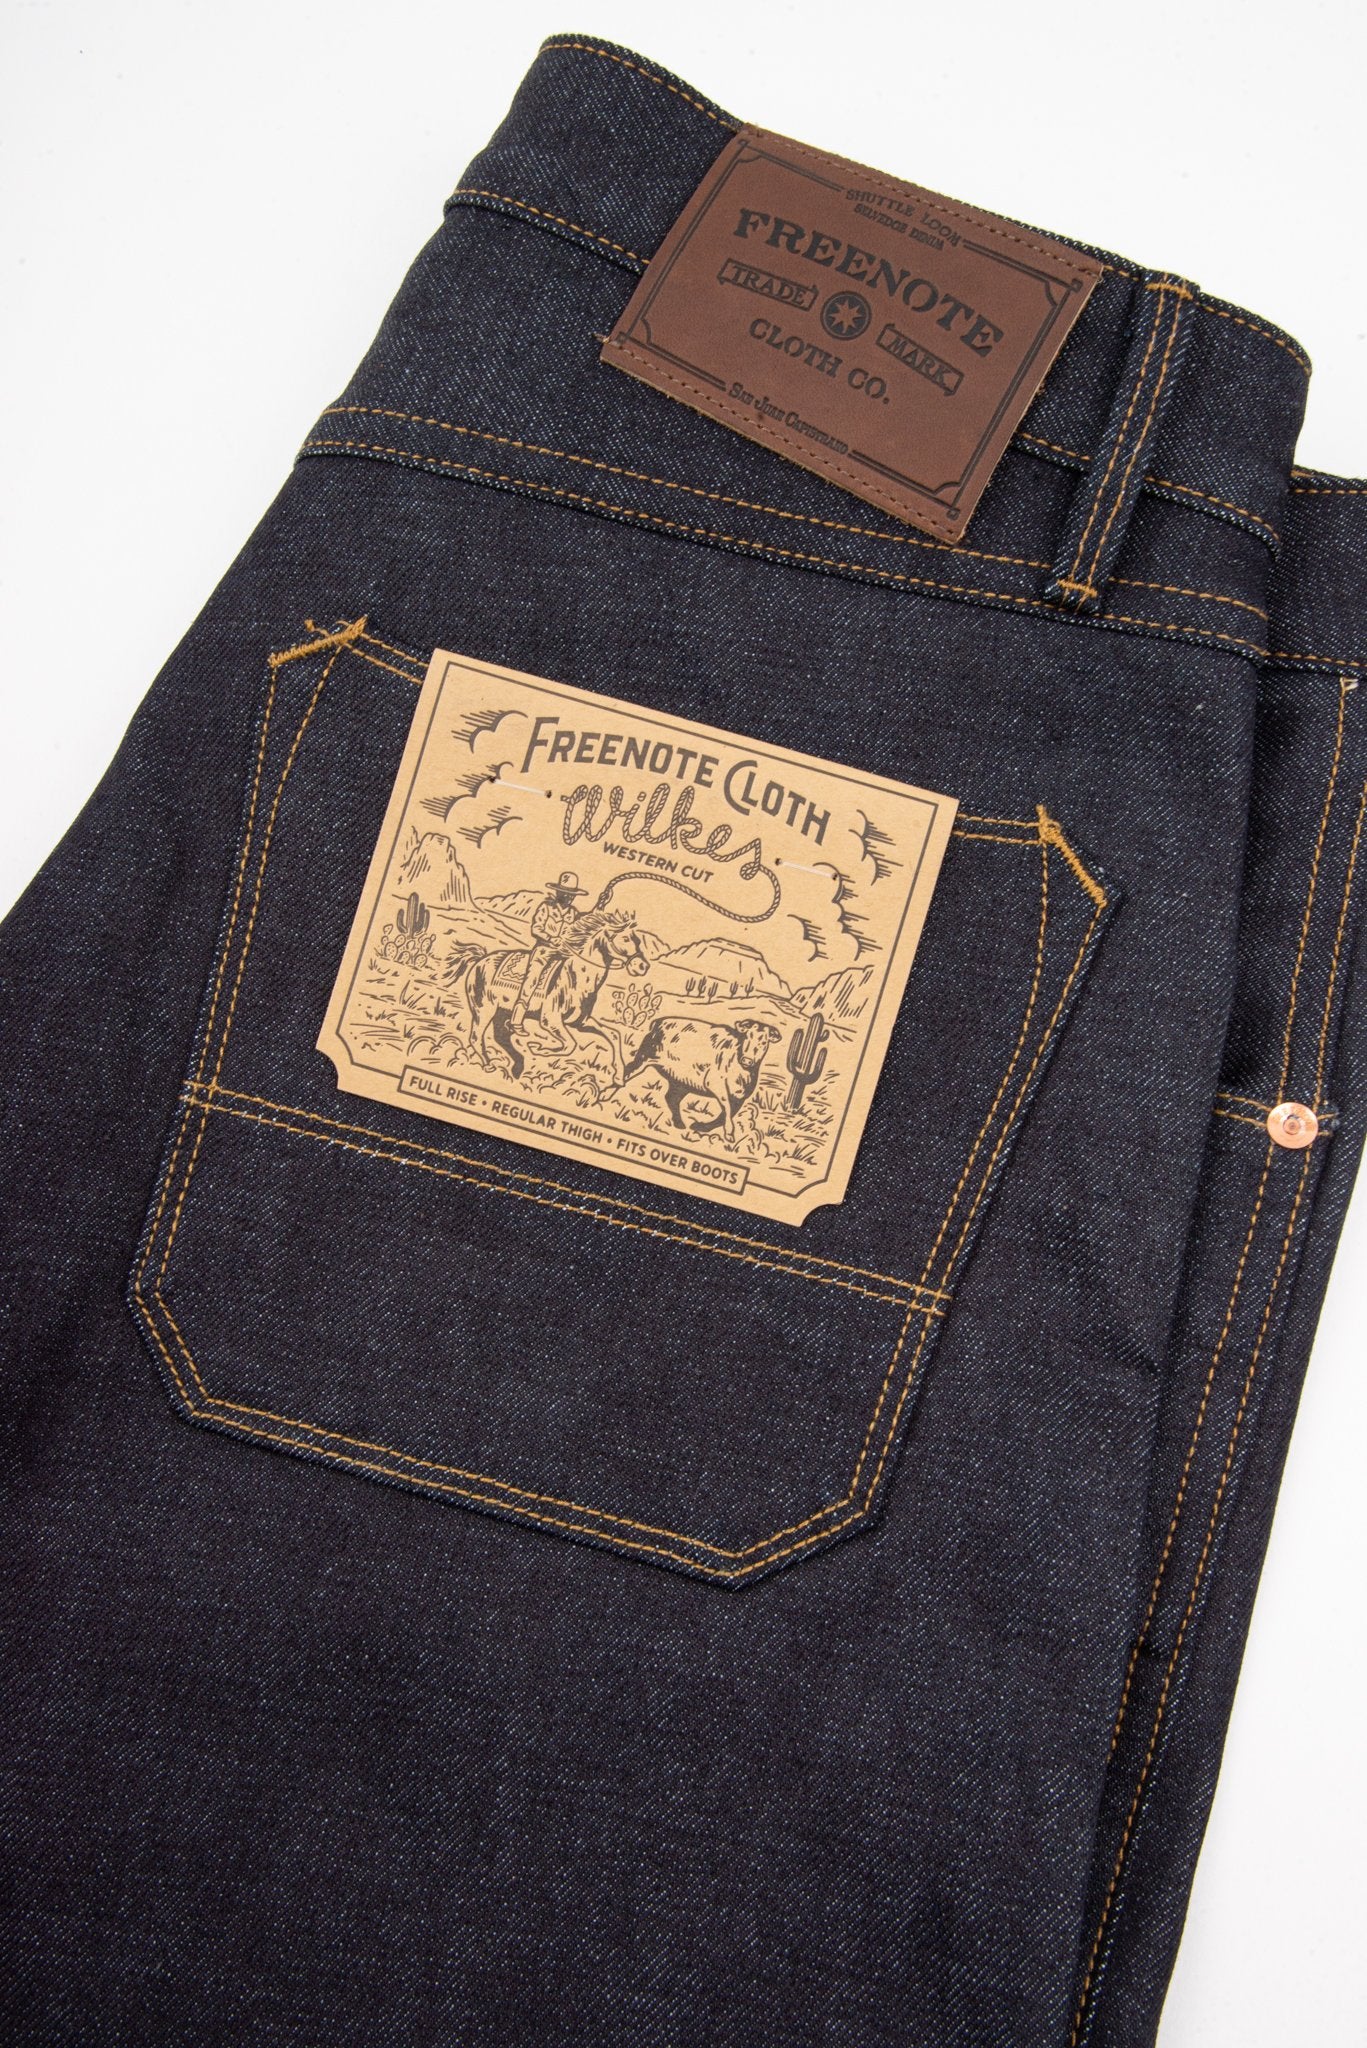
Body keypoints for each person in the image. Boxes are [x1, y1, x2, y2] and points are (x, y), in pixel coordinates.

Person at [510, 871, 587, 1034]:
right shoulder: (546, 908)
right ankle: (516, 1020)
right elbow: (536, 928)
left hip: (563, 953)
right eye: (566, 894)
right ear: (558, 893)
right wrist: (551, 938)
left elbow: (578, 929)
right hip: (544, 950)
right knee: (532, 980)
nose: (569, 897)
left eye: (571, 895)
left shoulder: (573, 913)